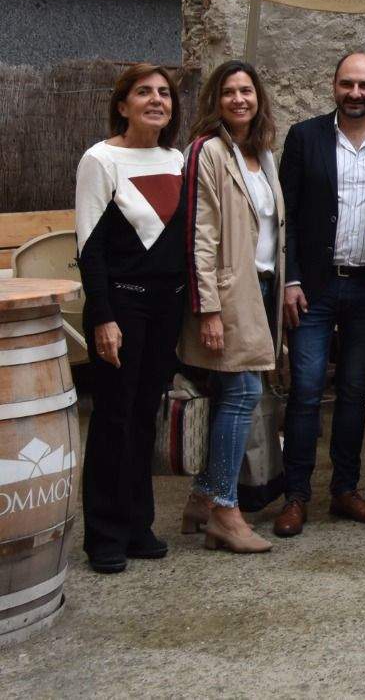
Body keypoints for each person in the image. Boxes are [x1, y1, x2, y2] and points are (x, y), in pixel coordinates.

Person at [273, 51, 365, 538]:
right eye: (347, 84)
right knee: (305, 392)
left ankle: (345, 489)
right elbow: (287, 216)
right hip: (314, 289)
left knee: (354, 394)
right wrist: (291, 279)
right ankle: (296, 496)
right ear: (333, 86)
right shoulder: (304, 137)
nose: (355, 93)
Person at [74, 64, 187, 574]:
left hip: (165, 309)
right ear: (123, 104)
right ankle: (104, 533)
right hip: (121, 306)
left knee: (146, 416)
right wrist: (102, 316)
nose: (156, 100)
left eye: (163, 93)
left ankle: (139, 524)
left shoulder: (177, 159)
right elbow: (90, 248)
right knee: (113, 418)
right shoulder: (100, 159)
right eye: (144, 92)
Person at [176, 61, 284, 554]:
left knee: (232, 395)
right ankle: (224, 508)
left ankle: (202, 497)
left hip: (260, 291)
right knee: (241, 394)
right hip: (227, 293)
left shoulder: (261, 152)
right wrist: (208, 308)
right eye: (228, 92)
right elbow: (200, 233)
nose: (239, 99)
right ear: (214, 101)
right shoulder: (207, 150)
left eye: (246, 91)